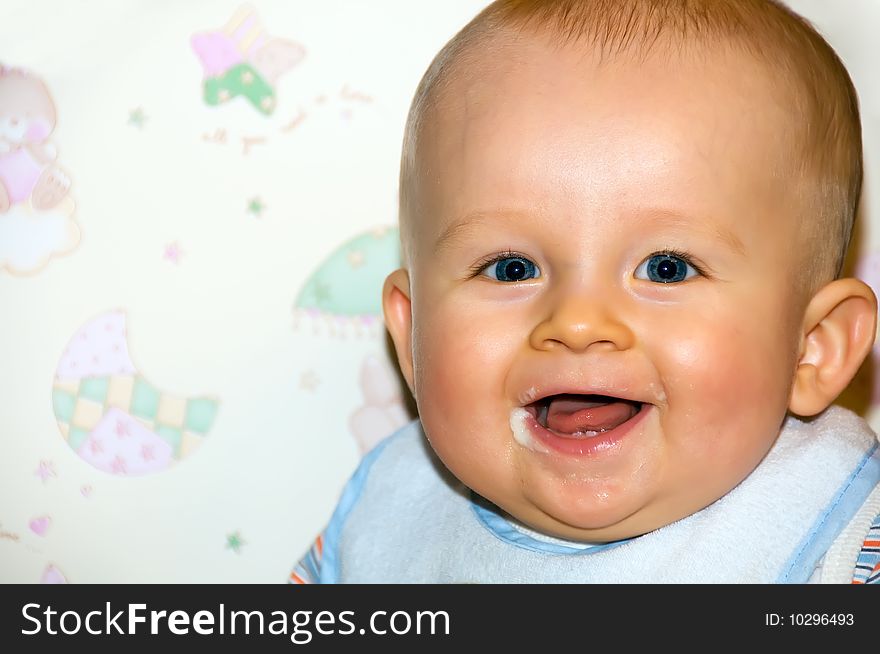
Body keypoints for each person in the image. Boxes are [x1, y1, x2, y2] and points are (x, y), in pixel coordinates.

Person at [291, 0, 880, 583]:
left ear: (812, 346)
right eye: (511, 269)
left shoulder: (842, 536)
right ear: (414, 339)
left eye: (666, 268)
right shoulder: (393, 520)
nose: (575, 321)